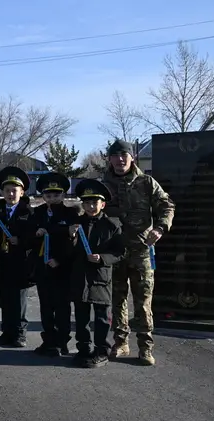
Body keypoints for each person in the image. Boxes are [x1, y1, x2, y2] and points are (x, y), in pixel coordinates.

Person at [102, 139, 175, 366]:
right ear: (110, 159)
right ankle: (121, 342)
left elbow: (166, 205)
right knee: (117, 300)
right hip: (114, 253)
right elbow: (89, 209)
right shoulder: (103, 185)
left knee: (143, 302)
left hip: (141, 251)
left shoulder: (145, 182)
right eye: (116, 155)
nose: (120, 159)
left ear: (132, 157)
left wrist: (160, 228)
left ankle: (145, 347)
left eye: (124, 155)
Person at [69, 179, 126, 368]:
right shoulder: (76, 224)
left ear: (103, 204)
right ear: (82, 204)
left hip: (101, 277)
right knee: (82, 316)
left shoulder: (112, 225)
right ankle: (84, 349)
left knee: (102, 318)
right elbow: (68, 251)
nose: (91, 206)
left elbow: (120, 252)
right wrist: (71, 236)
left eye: (95, 202)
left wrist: (102, 258)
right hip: (80, 277)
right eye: (87, 203)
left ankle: (102, 351)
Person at [0, 166, 36, 347]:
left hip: (20, 264)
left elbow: (33, 238)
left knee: (18, 302)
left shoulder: (28, 213)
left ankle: (20, 334)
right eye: (7, 191)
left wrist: (20, 240)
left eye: (14, 191)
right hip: (1, 263)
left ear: (21, 192)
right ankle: (7, 333)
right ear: (2, 192)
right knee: (4, 300)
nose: (11, 194)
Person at [30, 172, 80, 357]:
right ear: (43, 196)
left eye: (56, 195)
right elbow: (30, 236)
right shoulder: (38, 212)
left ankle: (62, 341)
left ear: (63, 195)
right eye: (48, 195)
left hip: (62, 267)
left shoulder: (71, 213)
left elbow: (73, 242)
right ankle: (48, 340)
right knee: (46, 306)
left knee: (62, 307)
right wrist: (37, 234)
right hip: (43, 268)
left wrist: (59, 259)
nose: (52, 198)